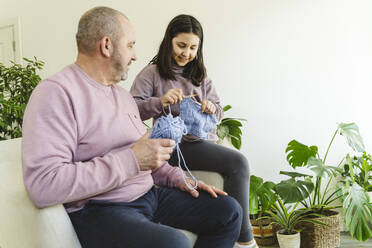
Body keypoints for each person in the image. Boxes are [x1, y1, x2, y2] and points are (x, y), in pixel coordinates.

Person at [21, 7, 243, 248]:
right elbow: (43, 185)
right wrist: (131, 160)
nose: (135, 55)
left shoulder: (122, 96)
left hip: (147, 195)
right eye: (130, 45)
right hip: (101, 209)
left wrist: (180, 178)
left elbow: (148, 158)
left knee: (228, 211)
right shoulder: (56, 93)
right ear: (106, 46)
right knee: (174, 243)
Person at [130, 15, 257, 248]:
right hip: (172, 145)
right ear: (169, 41)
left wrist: (211, 108)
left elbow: (217, 111)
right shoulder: (152, 73)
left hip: (199, 142)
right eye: (181, 45)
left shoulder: (201, 76)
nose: (186, 53)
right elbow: (131, 109)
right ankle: (245, 240)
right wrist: (161, 102)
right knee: (238, 162)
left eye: (192, 48)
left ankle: (241, 237)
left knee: (239, 162)